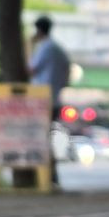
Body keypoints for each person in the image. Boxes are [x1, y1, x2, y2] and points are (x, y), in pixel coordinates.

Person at [28, 16, 70, 186]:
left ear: (38, 30)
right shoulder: (59, 50)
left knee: (39, 138)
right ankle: (51, 176)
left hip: (41, 100)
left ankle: (45, 177)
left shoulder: (45, 48)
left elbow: (31, 68)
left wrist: (29, 46)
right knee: (47, 138)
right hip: (55, 99)